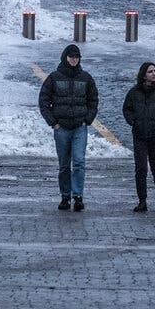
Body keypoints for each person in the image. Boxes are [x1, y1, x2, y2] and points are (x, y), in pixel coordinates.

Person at [38, 43, 98, 212]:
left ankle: (77, 196)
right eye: (71, 57)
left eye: (76, 57)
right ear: (65, 57)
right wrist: (53, 122)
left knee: (79, 161)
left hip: (80, 127)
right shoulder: (54, 78)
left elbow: (93, 100)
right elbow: (43, 100)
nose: (74, 60)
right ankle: (65, 196)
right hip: (61, 128)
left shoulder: (86, 78)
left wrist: (88, 119)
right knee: (64, 164)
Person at [122, 60, 155, 212]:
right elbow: (127, 109)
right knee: (140, 168)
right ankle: (142, 200)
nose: (154, 74)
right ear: (143, 75)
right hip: (139, 135)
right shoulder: (134, 93)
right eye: (150, 72)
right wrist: (133, 121)